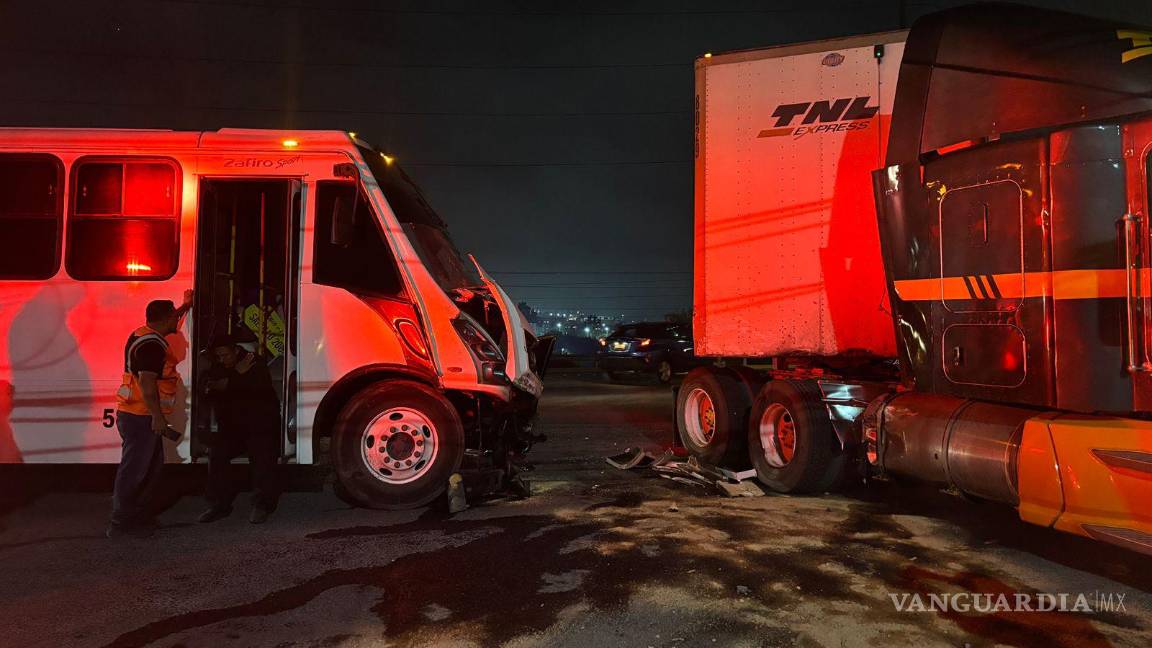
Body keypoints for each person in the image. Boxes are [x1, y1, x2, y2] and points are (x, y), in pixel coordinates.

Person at [108, 291, 193, 538]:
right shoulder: (152, 347)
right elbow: (147, 384)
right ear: (165, 320)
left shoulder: (143, 334)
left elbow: (167, 320)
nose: (177, 322)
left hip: (138, 415)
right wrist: (157, 417)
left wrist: (185, 306)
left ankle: (137, 516)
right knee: (136, 471)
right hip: (142, 416)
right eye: (174, 318)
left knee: (150, 469)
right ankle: (121, 523)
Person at [198, 334, 282, 524]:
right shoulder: (221, 366)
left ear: (235, 351)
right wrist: (236, 375)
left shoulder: (254, 363)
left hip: (260, 424)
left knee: (262, 457)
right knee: (217, 455)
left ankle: (262, 504)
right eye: (219, 356)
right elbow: (211, 386)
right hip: (233, 426)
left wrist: (228, 382)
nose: (222, 359)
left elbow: (249, 388)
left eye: (225, 355)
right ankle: (218, 505)